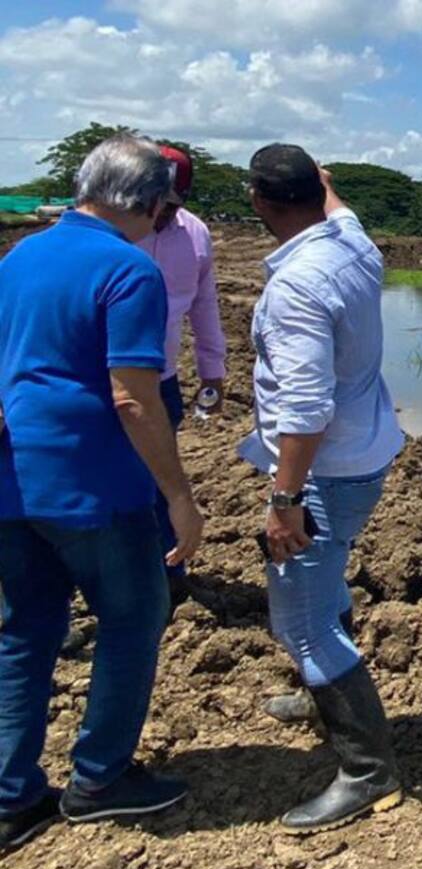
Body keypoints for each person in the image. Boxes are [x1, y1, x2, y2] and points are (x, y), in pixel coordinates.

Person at [0, 135, 204, 850]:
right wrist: (178, 494)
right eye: (166, 208)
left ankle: (11, 798)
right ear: (152, 204)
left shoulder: (21, 256)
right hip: (94, 488)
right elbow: (133, 399)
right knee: (134, 618)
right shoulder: (129, 271)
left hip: (14, 480)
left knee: (26, 632)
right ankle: (99, 780)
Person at [241, 143, 405, 832]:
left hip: (323, 472)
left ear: (259, 202)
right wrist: (328, 189)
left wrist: (285, 500)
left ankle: (369, 772)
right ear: (318, 189)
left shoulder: (298, 285)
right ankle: (321, 697)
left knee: (301, 623)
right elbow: (342, 209)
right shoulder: (353, 245)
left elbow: (304, 408)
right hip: (363, 456)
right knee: (326, 582)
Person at [136, 146, 227, 602]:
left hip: (162, 379)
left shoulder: (194, 236)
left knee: (162, 481)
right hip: (98, 381)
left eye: (170, 204)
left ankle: (168, 580)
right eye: (153, 201)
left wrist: (212, 369)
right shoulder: (108, 235)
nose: (158, 213)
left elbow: (204, 304)